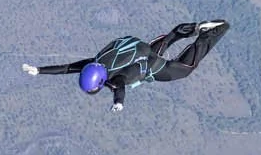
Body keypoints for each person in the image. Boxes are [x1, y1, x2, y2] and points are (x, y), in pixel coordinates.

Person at [24, 19, 230, 111]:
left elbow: (119, 88)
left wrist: (118, 103)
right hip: (145, 51)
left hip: (156, 68)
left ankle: (208, 35)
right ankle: (195, 28)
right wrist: (39, 70)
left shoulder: (115, 80)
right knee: (169, 38)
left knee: (186, 69)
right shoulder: (95, 63)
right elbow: (67, 68)